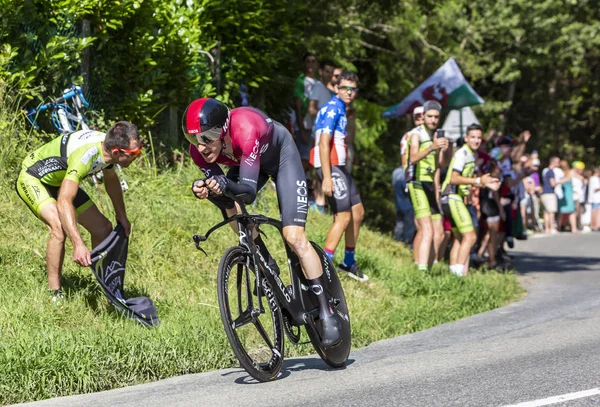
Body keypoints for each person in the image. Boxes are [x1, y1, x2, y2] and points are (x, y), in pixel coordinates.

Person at [184, 98, 340, 346]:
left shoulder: (245, 129)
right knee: (228, 204)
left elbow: (247, 191)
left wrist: (224, 184)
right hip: (248, 163)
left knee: (294, 237)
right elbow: (225, 193)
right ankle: (264, 258)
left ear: (223, 129)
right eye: (195, 139)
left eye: (207, 137)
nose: (201, 147)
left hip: (281, 158)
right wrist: (206, 188)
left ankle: (326, 311)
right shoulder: (199, 152)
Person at [15, 122, 142, 300]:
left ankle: (104, 285)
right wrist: (78, 244)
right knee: (59, 229)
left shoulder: (107, 148)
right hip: (33, 178)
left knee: (103, 227)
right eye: (134, 153)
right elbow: (64, 201)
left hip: (60, 181)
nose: (138, 156)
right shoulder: (85, 157)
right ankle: (54, 293)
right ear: (116, 152)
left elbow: (111, 179)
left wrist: (121, 215)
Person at [311, 70, 367, 282]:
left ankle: (349, 262)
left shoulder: (342, 109)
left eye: (353, 89)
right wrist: (326, 176)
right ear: (336, 88)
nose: (349, 92)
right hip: (330, 166)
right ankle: (323, 269)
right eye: (345, 88)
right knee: (343, 217)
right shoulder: (334, 108)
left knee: (357, 212)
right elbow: (324, 142)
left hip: (339, 166)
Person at [441, 124, 500, 276]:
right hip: (452, 197)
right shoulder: (463, 154)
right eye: (473, 137)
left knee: (460, 239)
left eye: (479, 137)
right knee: (471, 236)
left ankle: (454, 275)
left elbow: (467, 180)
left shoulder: (471, 155)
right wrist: (479, 181)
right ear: (466, 138)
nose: (476, 140)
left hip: (453, 198)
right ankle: (460, 275)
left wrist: (486, 184)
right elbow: (454, 178)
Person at [406, 100, 449, 272]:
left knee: (438, 232)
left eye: (436, 117)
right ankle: (421, 272)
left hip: (431, 185)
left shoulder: (436, 135)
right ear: (423, 116)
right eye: (429, 116)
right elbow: (413, 158)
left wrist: (444, 150)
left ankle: (428, 269)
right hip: (417, 184)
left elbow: (440, 165)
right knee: (427, 230)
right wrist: (431, 147)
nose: (432, 120)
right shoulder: (416, 134)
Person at [307, 60, 336, 214]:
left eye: (331, 72)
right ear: (321, 72)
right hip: (318, 132)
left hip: (327, 133)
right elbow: (311, 108)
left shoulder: (330, 91)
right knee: (317, 165)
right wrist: (325, 119)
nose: (329, 75)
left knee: (323, 164)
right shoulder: (318, 87)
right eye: (327, 71)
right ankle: (317, 200)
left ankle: (321, 202)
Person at [393, 106, 423, 247]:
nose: (421, 119)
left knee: (404, 212)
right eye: (418, 116)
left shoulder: (407, 135)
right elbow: (405, 159)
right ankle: (407, 242)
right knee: (410, 211)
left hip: (403, 173)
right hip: (409, 175)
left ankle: (400, 240)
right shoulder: (416, 136)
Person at [293, 52, 318, 171]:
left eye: (313, 61)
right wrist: (301, 129)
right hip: (304, 125)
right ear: (304, 63)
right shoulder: (301, 80)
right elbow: (297, 105)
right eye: (308, 61)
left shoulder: (318, 82)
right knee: (302, 159)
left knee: (312, 160)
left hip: (315, 126)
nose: (311, 64)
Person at [557, 160, 578, 233]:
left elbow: (567, 179)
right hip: (562, 194)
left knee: (571, 211)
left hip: (568, 193)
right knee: (562, 211)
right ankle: (560, 227)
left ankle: (574, 228)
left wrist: (558, 182)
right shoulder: (559, 172)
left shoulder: (570, 172)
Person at [541, 157, 560, 234]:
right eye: (557, 162)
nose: (558, 163)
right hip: (550, 193)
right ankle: (551, 228)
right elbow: (553, 183)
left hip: (545, 193)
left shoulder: (546, 171)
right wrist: (562, 181)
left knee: (546, 212)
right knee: (551, 211)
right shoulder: (551, 172)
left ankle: (547, 228)